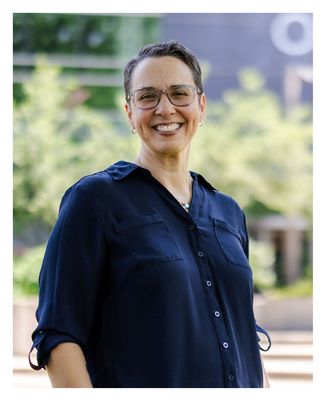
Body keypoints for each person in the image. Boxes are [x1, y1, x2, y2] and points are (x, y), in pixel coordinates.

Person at [29, 40, 271, 388]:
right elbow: (58, 336)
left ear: (201, 107)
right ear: (130, 113)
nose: (165, 108)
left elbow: (243, 332)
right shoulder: (94, 200)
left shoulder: (229, 212)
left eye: (179, 94)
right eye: (147, 97)